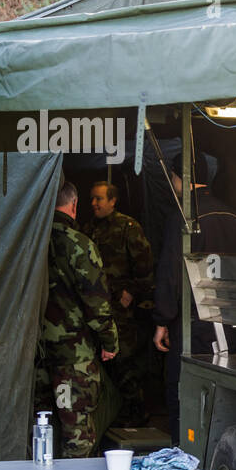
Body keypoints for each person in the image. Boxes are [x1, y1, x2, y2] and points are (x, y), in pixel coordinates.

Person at [153, 152, 236, 441]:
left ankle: (185, 455)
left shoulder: (182, 218)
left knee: (184, 392)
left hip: (192, 324)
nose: (172, 183)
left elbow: (170, 272)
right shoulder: (234, 217)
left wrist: (161, 319)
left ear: (183, 179)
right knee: (224, 394)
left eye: (172, 176)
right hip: (229, 324)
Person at [35, 180, 118, 458]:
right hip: (74, 354)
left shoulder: (29, 242)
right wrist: (109, 341)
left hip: (33, 351)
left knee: (40, 423)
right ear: (73, 205)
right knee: (77, 427)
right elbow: (97, 304)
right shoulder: (80, 244)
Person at [83, 181, 154, 425]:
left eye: (99, 199)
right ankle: (111, 416)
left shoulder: (128, 227)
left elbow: (144, 265)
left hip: (121, 310)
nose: (94, 203)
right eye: (92, 199)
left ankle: (136, 416)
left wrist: (131, 293)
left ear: (112, 201)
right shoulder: (89, 228)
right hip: (98, 307)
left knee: (125, 362)